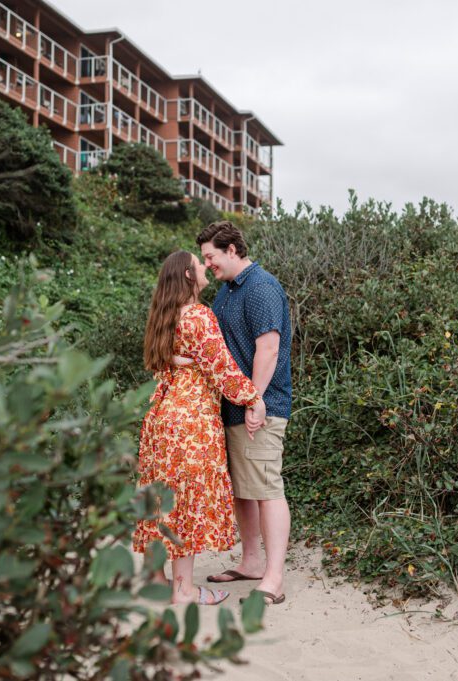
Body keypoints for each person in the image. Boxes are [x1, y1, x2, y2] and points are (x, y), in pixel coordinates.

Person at [133, 250, 267, 605]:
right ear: (189, 276)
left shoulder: (164, 317)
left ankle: (157, 580)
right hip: (191, 420)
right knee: (187, 502)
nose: (206, 267)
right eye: (199, 264)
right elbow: (222, 369)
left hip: (160, 419)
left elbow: (161, 365)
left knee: (160, 498)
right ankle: (184, 589)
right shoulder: (199, 316)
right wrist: (254, 398)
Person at [197, 221, 292, 606]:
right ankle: (252, 562)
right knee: (244, 491)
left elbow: (268, 349)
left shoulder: (261, 287)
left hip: (261, 408)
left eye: (212, 257)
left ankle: (274, 578)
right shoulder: (226, 291)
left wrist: (254, 399)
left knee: (267, 489)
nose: (209, 265)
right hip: (233, 409)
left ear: (232, 249)